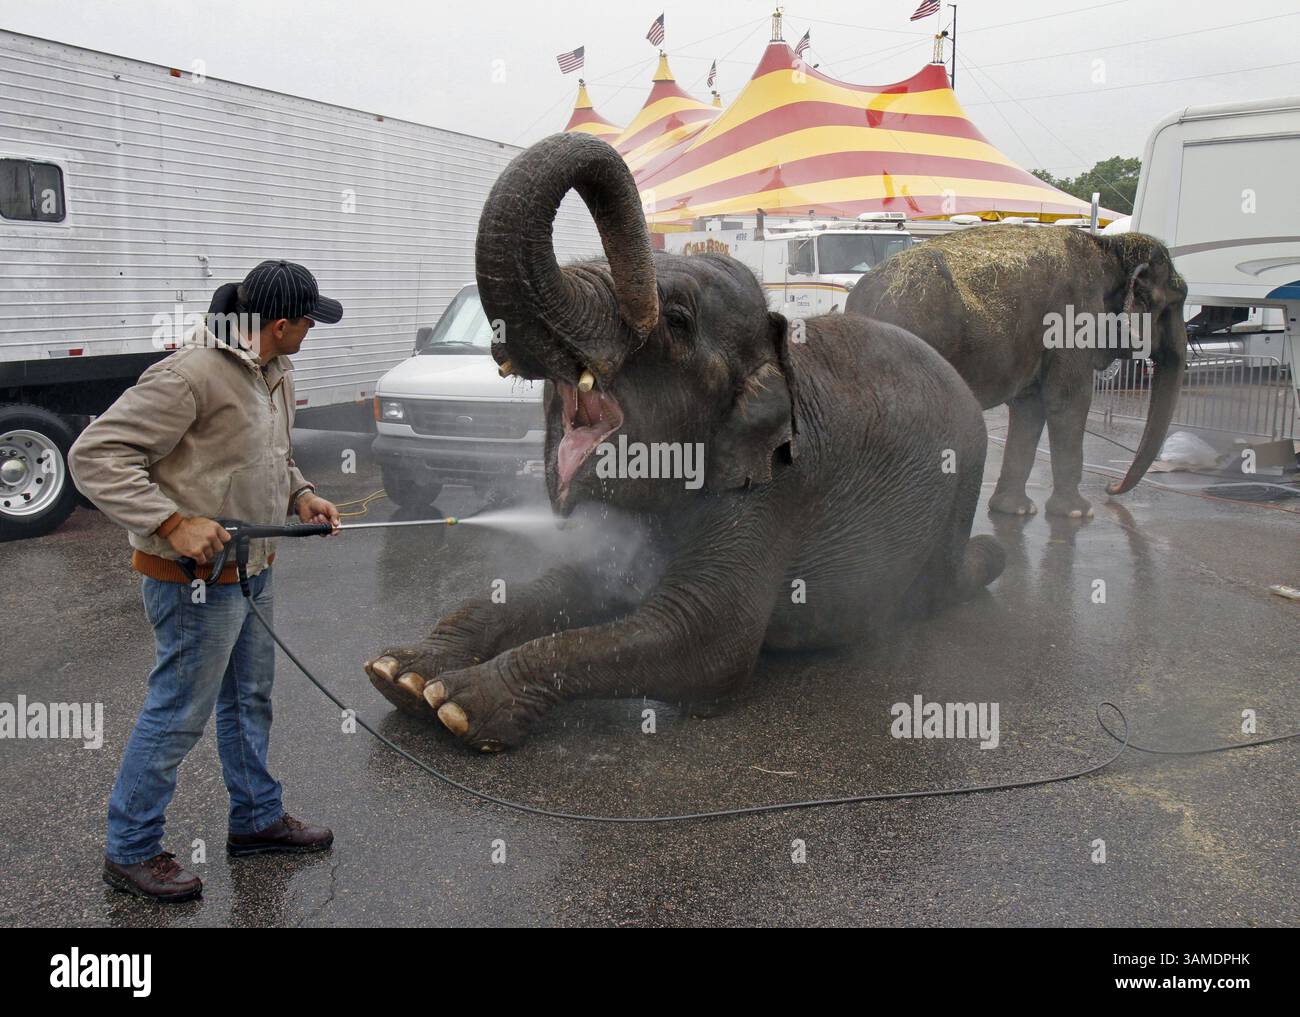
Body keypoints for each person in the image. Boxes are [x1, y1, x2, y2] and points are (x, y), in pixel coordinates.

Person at [70, 260, 344, 903]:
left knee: (249, 700)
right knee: (177, 714)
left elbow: (266, 451)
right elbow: (95, 456)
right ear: (280, 324)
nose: (312, 330)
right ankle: (131, 849)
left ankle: (255, 820)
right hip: (193, 579)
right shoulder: (188, 375)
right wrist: (171, 521)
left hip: (252, 568)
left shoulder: (275, 369)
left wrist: (301, 493)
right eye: (309, 320)